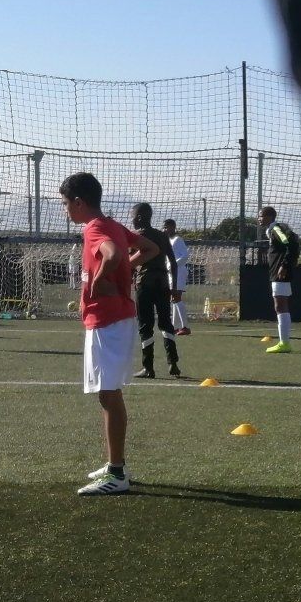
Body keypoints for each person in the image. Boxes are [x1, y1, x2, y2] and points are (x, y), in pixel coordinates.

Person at [61, 173, 157, 495]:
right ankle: (115, 464)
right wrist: (121, 270)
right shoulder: (112, 224)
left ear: (79, 202)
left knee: (110, 394)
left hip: (108, 319)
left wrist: (103, 278)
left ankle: (117, 474)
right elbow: (149, 248)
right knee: (107, 393)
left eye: (65, 204)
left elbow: (113, 253)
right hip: (113, 318)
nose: (65, 210)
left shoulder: (95, 228)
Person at [131, 202, 182, 379]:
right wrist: (174, 287)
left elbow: (130, 264)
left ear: (138, 217)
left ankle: (148, 367)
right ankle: (173, 363)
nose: (131, 220)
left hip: (144, 283)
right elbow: (173, 263)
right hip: (162, 284)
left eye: (132, 216)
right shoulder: (162, 236)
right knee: (166, 323)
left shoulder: (136, 237)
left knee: (145, 326)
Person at [259, 205, 300, 353]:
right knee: (280, 305)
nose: (259, 219)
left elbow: (291, 242)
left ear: (270, 217)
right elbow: (293, 241)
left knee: (280, 305)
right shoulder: (273, 231)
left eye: (261, 216)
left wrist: (284, 265)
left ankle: (284, 343)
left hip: (280, 272)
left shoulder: (276, 229)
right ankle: (284, 342)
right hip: (278, 272)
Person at [164, 217, 192, 335]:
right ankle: (175, 327)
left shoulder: (178, 239)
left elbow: (185, 256)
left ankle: (185, 327)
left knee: (176, 297)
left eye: (167, 227)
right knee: (173, 299)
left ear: (173, 227)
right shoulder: (168, 241)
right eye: (164, 227)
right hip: (171, 273)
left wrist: (173, 265)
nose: (165, 229)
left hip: (179, 272)